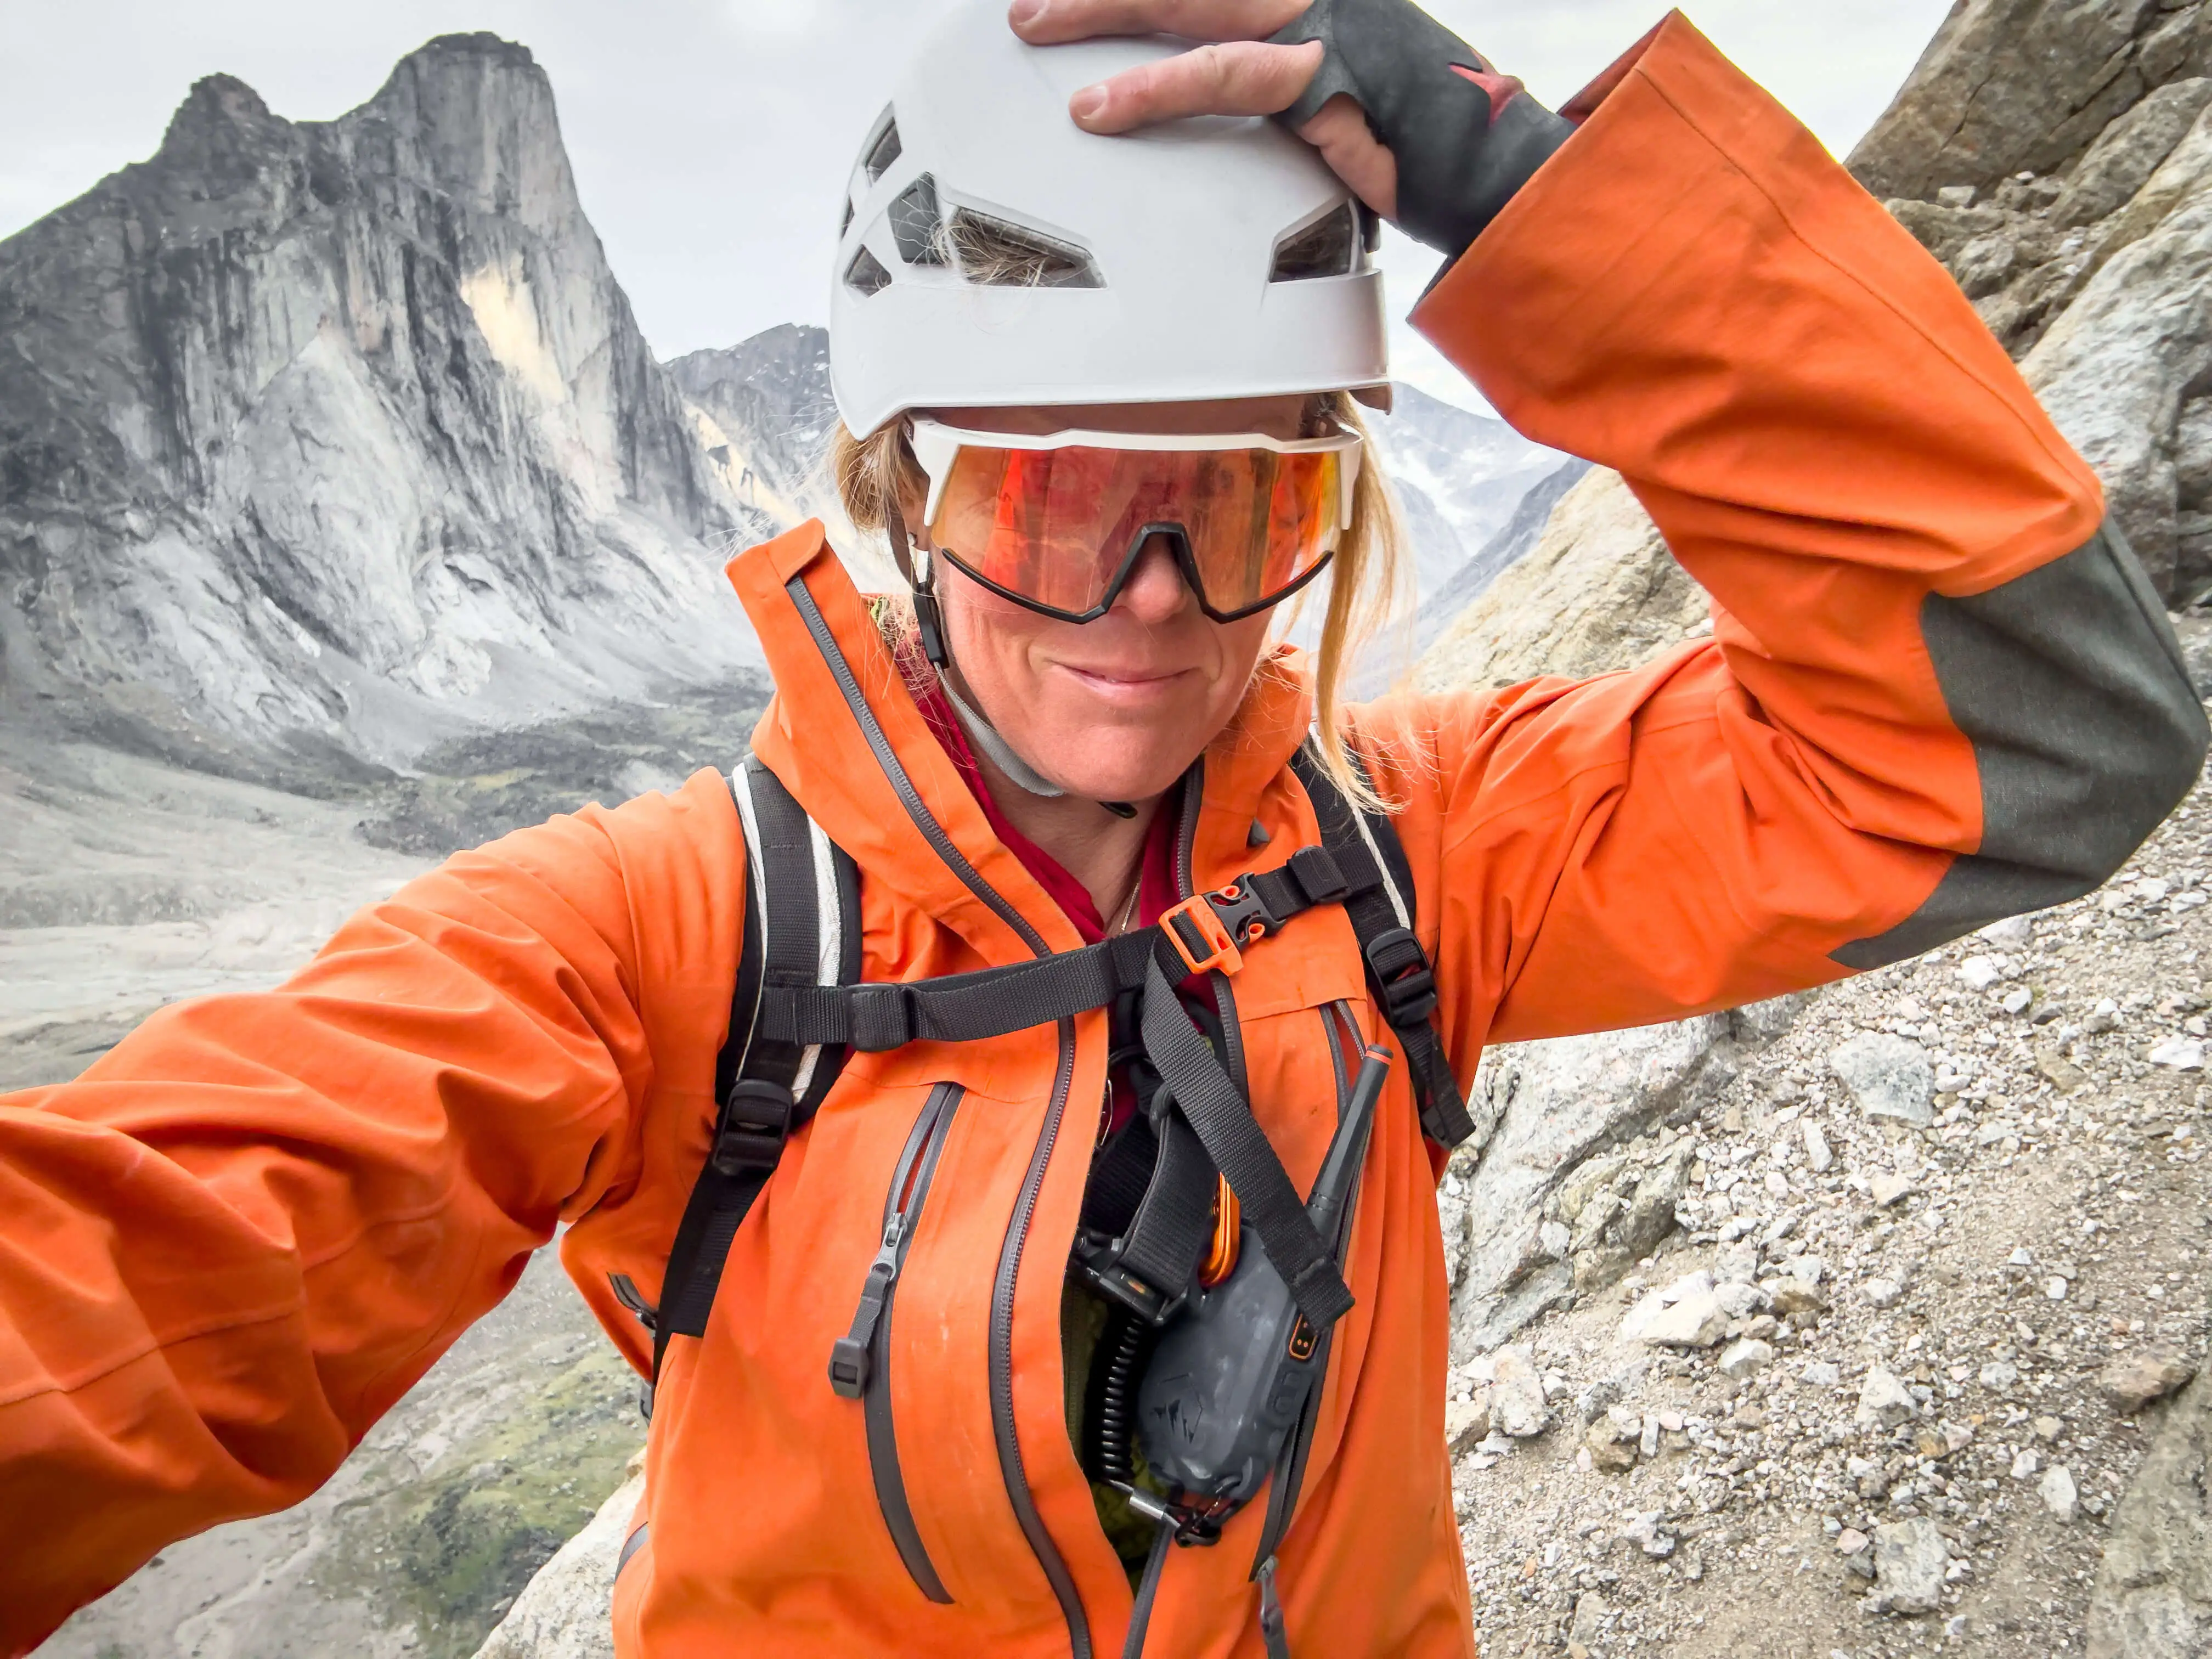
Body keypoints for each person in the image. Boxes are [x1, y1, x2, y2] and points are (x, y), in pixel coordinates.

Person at [2, 0, 2203, 1654]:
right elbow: (149, 1272)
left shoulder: (1427, 851)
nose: (1152, 606)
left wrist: (1520, 186)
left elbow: (2045, 735)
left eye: (1236, 499)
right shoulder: (666, 937)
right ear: (907, 489)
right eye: (1062, 499)